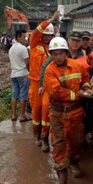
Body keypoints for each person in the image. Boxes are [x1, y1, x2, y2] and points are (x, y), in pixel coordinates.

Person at [44, 37, 92, 184]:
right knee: (59, 143)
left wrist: (86, 88)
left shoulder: (77, 66)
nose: (58, 57)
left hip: (76, 112)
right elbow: (57, 92)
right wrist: (79, 94)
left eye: (61, 53)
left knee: (76, 141)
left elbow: (85, 78)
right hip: (58, 113)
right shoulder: (50, 70)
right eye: (55, 54)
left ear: (66, 53)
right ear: (51, 54)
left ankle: (74, 163)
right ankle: (62, 176)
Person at [28, 11, 60, 148]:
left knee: (46, 109)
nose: (47, 37)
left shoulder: (53, 49)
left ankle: (45, 137)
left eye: (49, 35)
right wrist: (51, 19)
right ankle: (36, 134)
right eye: (45, 35)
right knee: (36, 109)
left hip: (47, 83)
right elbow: (36, 31)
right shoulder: (35, 43)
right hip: (35, 82)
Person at [8, 30, 31, 122]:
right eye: (23, 37)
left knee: (14, 95)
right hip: (23, 74)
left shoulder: (11, 49)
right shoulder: (23, 48)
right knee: (23, 95)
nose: (24, 39)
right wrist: (30, 71)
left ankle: (13, 115)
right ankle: (22, 115)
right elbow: (27, 62)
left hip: (14, 74)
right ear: (18, 37)